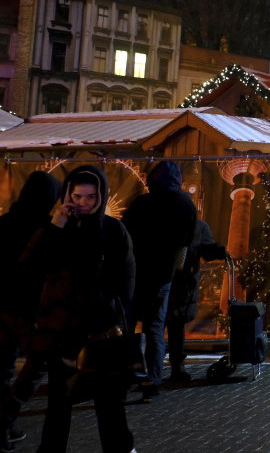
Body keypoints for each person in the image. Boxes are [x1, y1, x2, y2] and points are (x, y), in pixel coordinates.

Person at [23, 165, 136, 453]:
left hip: (101, 329)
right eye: (77, 196)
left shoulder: (112, 229)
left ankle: (119, 448)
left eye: (90, 197)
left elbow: (126, 278)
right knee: (59, 402)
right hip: (63, 330)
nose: (84, 203)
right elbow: (32, 265)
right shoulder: (58, 227)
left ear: (101, 196)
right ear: (67, 195)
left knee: (109, 403)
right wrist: (55, 225)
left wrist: (116, 312)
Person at [122, 160, 197, 398]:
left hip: (135, 273)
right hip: (163, 274)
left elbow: (125, 235)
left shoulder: (142, 203)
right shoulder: (185, 204)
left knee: (128, 325)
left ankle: (126, 376)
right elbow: (188, 238)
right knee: (155, 326)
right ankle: (153, 378)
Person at [0, 171, 61, 449]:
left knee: (3, 365)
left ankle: (6, 425)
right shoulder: (48, 230)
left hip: (3, 303)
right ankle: (5, 419)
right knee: (37, 364)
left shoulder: (4, 223)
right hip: (29, 309)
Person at [165, 218, 226, 382]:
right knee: (175, 325)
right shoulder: (195, 225)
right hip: (181, 284)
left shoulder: (151, 217)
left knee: (155, 326)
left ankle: (150, 370)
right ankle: (176, 368)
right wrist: (220, 251)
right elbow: (208, 250)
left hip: (160, 282)